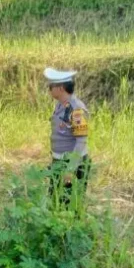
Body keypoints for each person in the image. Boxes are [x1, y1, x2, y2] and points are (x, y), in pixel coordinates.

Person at [45, 68, 90, 207]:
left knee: (69, 205)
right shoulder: (61, 105)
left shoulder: (76, 110)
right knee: (55, 202)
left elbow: (81, 140)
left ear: (60, 88)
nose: (49, 90)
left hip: (71, 164)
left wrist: (70, 169)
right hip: (60, 161)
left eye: (51, 86)